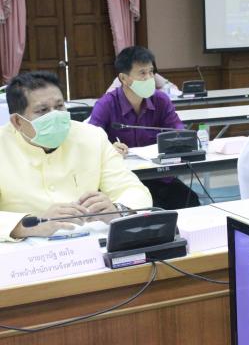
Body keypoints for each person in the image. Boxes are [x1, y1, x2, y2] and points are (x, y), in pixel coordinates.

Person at [0, 71, 152, 241]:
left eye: (59, 106)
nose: (55, 116)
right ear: (18, 122)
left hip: (89, 241)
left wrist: (119, 210)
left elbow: (133, 189)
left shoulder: (92, 136)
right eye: (42, 110)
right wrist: (28, 225)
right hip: (23, 249)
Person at [89, 46, 200, 210]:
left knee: (190, 200)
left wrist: (177, 138)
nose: (149, 78)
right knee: (148, 210)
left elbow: (179, 131)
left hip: (159, 177)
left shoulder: (161, 100)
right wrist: (109, 148)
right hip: (123, 182)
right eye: (142, 73)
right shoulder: (106, 104)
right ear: (124, 78)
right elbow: (90, 142)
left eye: (151, 72)